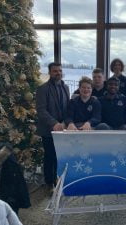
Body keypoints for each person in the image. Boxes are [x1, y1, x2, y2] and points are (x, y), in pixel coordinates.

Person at [36, 62, 70, 191]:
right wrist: (54, 123)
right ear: (50, 72)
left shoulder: (65, 87)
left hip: (63, 128)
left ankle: (58, 180)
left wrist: (65, 123)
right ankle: (49, 183)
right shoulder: (42, 89)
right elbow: (41, 110)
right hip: (48, 129)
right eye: (55, 71)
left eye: (60, 71)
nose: (58, 73)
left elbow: (68, 108)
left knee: (60, 155)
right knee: (49, 156)